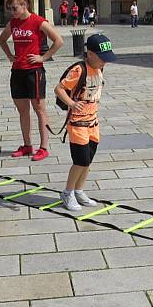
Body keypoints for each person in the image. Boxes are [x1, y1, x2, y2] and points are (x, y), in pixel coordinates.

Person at [0, 0, 64, 162]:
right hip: (17, 71)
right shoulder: (13, 23)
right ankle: (27, 145)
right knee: (22, 111)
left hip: (34, 72)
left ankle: (43, 148)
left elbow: (58, 40)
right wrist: (9, 56)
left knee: (39, 110)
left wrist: (43, 57)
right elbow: (2, 40)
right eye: (10, 9)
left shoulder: (37, 21)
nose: (12, 12)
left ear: (24, 5)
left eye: (15, 8)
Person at [55, 34, 116, 211]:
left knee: (87, 161)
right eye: (102, 58)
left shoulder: (99, 68)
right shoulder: (79, 70)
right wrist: (72, 104)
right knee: (80, 161)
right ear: (89, 54)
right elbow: (59, 89)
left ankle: (79, 190)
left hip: (93, 123)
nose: (105, 62)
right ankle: (67, 192)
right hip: (78, 124)